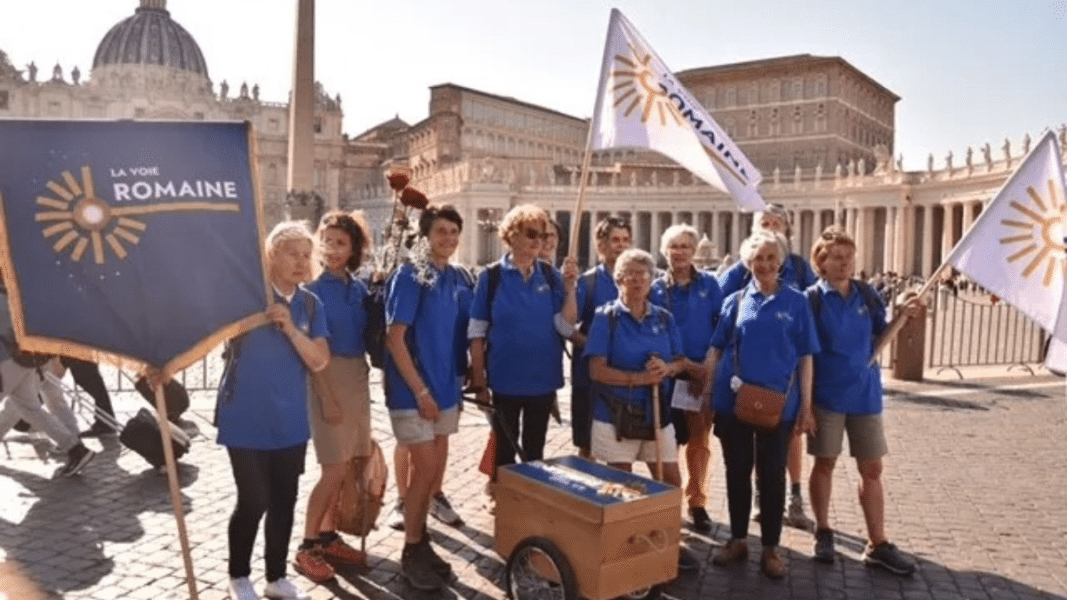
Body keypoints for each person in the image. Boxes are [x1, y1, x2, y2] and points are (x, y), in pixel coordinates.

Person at [216, 221, 330, 600]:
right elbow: (203, 336)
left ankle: (276, 576)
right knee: (253, 499)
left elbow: (319, 361)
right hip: (244, 416)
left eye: (305, 254)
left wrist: (291, 330)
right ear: (271, 257)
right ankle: (238, 575)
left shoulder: (311, 304)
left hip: (290, 421)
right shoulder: (244, 297)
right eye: (291, 253)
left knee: (284, 499)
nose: (300, 261)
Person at [705, 230, 819, 579]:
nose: (765, 264)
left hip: (780, 404)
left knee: (772, 476)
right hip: (734, 400)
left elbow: (806, 358)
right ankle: (738, 538)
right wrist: (708, 394)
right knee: (736, 472)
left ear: (781, 261)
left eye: (771, 257)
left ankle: (771, 547)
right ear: (747, 262)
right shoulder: (735, 300)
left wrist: (806, 406)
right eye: (758, 258)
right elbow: (716, 349)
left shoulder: (797, 302)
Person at [805, 226, 918, 575]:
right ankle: (823, 530)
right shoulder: (811, 299)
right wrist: (805, 403)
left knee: (872, 468)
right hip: (826, 395)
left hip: (865, 394)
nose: (844, 264)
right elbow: (805, 354)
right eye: (836, 258)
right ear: (820, 262)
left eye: (849, 257)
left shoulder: (867, 294)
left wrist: (903, 313)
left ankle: (878, 542)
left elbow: (882, 335)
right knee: (825, 463)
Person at [585, 248, 697, 571]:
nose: (636, 279)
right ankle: (625, 541)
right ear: (618, 279)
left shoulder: (664, 318)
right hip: (615, 413)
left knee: (669, 478)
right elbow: (596, 370)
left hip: (655, 410)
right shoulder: (606, 317)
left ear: (651, 280)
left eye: (643, 274)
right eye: (629, 273)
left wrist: (666, 369)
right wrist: (638, 378)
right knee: (621, 482)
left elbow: (679, 361)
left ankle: (667, 536)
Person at [383, 204, 469, 591]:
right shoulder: (410, 274)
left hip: (444, 387)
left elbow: (454, 338)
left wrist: (457, 383)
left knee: (432, 475)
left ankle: (421, 541)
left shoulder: (453, 276)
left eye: (453, 231)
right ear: (426, 235)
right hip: (413, 391)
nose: (448, 239)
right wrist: (420, 391)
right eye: (441, 232)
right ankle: (411, 547)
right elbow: (395, 339)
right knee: (422, 473)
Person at [292, 211, 374, 583]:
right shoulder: (311, 291)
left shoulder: (358, 288)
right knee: (332, 468)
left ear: (354, 247)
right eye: (327, 241)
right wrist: (326, 397)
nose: (332, 249)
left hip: (356, 377)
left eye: (341, 242)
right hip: (328, 378)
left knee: (347, 464)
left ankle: (327, 536)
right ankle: (307, 546)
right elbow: (313, 356)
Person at [469, 205, 577, 482]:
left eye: (542, 236)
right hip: (505, 378)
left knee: (535, 449)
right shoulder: (490, 277)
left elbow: (564, 327)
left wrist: (570, 288)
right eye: (531, 234)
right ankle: (501, 496)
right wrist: (479, 380)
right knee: (504, 445)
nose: (538, 242)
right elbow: (477, 331)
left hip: (542, 378)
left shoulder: (551, 275)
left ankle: (528, 505)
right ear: (511, 234)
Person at [649, 224, 724, 533]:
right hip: (663, 377)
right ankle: (666, 499)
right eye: (673, 246)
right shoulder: (653, 287)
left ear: (694, 252)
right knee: (663, 443)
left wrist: (703, 368)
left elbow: (720, 330)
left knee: (699, 442)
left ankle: (697, 501)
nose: (679, 252)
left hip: (697, 375)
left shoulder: (711, 285)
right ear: (664, 251)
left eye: (685, 246)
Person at [569, 215, 632, 457]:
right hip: (590, 377)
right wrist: (594, 346)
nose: (621, 245)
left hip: (625, 376)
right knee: (587, 443)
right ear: (601, 244)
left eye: (625, 240)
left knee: (623, 442)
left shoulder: (639, 280)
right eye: (615, 239)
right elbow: (568, 326)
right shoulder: (588, 282)